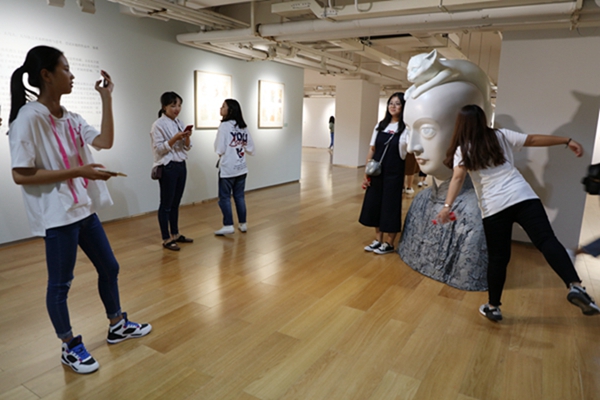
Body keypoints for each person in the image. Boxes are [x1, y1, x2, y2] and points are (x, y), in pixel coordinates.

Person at [8, 46, 151, 374]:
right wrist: (78, 171)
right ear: (46, 75)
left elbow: (105, 141)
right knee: (60, 284)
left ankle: (117, 324)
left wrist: (107, 98)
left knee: (109, 267)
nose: (72, 76)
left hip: (82, 209)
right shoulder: (28, 118)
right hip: (57, 215)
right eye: (66, 69)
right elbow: (21, 174)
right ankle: (69, 345)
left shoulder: (71, 118)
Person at [436, 104, 600, 321]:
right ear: (483, 119)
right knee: (546, 240)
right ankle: (575, 285)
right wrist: (567, 140)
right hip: (523, 196)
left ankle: (493, 307)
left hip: (494, 207)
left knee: (498, 258)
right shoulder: (500, 135)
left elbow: (457, 178)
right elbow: (533, 140)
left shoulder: (463, 148)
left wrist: (447, 207)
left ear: (461, 124)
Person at [359, 92, 406, 255]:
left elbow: (406, 152)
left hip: (394, 172)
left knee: (390, 206)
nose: (393, 106)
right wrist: (366, 172)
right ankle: (378, 239)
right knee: (375, 203)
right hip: (377, 171)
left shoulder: (406, 129)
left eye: (398, 103)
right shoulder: (380, 125)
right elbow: (372, 148)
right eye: (391, 103)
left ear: (403, 107)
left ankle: (389, 242)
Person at [150, 92, 193, 251]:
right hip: (168, 166)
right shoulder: (158, 125)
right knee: (166, 204)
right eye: (173, 105)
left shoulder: (180, 123)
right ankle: (166, 238)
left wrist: (187, 137)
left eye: (179, 105)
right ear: (164, 107)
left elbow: (187, 147)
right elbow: (158, 149)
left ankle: (175, 233)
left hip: (181, 164)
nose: (177, 109)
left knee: (176, 203)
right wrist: (175, 138)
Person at [214, 99, 255, 235]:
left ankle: (228, 224)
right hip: (241, 167)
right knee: (239, 197)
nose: (221, 108)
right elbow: (251, 148)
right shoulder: (243, 127)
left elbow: (219, 148)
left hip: (228, 168)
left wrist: (223, 152)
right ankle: (243, 223)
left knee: (225, 197)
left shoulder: (224, 126)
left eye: (223, 106)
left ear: (230, 110)